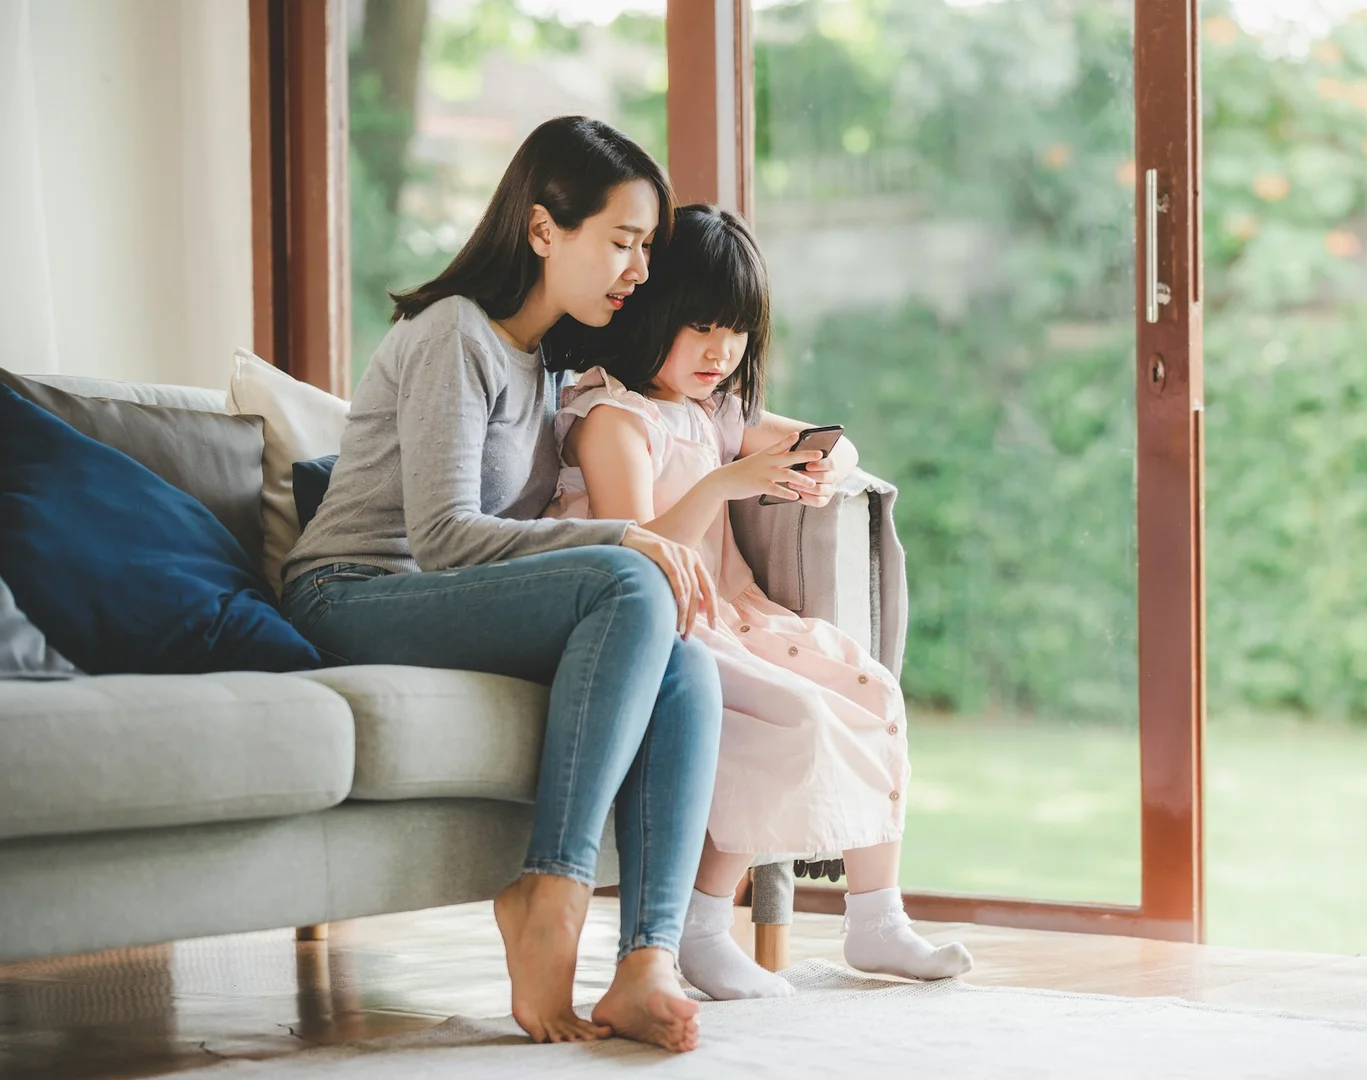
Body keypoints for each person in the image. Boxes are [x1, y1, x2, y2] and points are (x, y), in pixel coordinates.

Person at [280, 117, 720, 1054]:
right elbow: (443, 539)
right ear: (544, 228)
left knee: (687, 663)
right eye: (624, 241)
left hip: (439, 604)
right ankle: (550, 889)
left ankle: (648, 960)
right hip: (352, 593)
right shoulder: (454, 334)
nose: (640, 270)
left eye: (647, 247)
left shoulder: (549, 361)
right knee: (632, 582)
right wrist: (625, 536)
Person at [544, 204, 973, 1002]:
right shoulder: (611, 417)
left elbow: (833, 441)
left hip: (733, 612)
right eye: (702, 327)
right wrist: (722, 484)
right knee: (790, 715)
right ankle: (702, 930)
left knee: (870, 687)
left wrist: (820, 464)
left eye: (738, 331)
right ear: (648, 313)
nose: (721, 351)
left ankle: (876, 916)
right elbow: (638, 548)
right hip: (663, 619)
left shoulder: (714, 410)